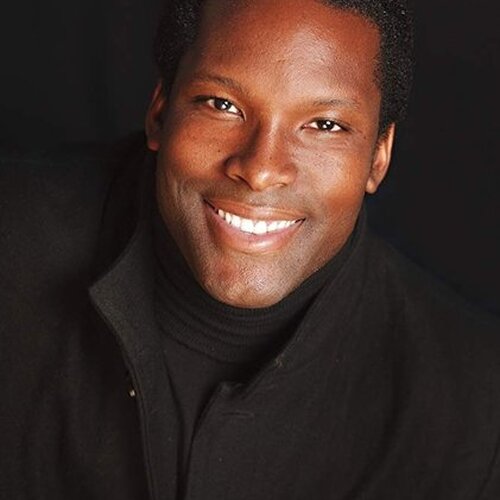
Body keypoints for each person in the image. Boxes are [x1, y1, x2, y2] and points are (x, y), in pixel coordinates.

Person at [1, 0, 499, 499]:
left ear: (378, 157)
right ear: (160, 111)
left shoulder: (474, 412)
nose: (260, 170)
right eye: (222, 105)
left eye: (325, 125)